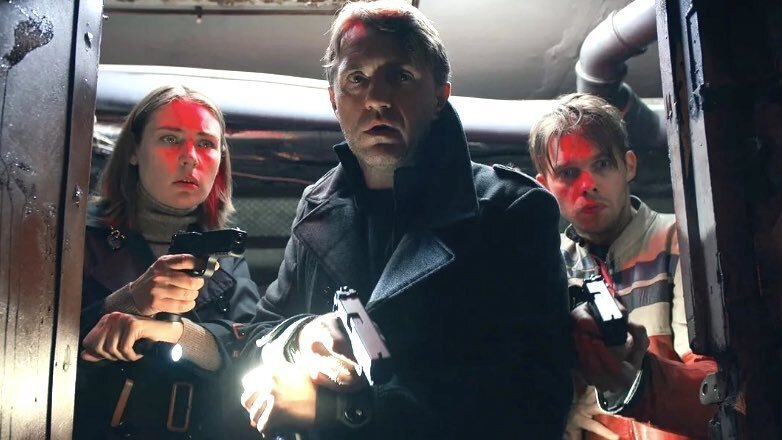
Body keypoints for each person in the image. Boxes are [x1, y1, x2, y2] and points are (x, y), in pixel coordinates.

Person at [236, 1, 574, 438]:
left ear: (439, 97)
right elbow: (257, 336)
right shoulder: (316, 206)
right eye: (356, 79)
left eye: (400, 76)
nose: (377, 98)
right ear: (334, 100)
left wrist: (347, 409)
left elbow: (535, 403)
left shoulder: (511, 212)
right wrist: (300, 337)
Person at [528, 93, 719, 440]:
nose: (588, 185)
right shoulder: (546, 267)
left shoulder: (682, 242)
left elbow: (715, 389)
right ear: (545, 188)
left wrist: (633, 382)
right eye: (568, 173)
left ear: (628, 166)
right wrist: (560, 412)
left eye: (602, 164)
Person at [75, 85, 261, 439]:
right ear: (134, 151)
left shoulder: (226, 254)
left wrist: (178, 333)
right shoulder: (72, 237)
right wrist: (129, 300)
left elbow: (250, 350)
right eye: (170, 139)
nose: (190, 157)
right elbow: (28, 346)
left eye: (205, 144)